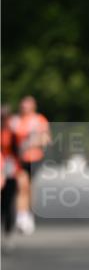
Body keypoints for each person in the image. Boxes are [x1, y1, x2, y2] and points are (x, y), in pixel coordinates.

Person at [11, 95, 50, 234]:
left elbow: (45, 139)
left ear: (33, 106)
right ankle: (21, 217)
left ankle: (29, 215)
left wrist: (31, 143)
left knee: (29, 188)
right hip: (18, 159)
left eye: (28, 105)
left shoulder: (39, 120)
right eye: (23, 105)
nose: (24, 107)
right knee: (22, 186)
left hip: (34, 158)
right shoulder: (14, 121)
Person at [1, 105, 23, 242]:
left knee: (8, 202)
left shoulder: (13, 133)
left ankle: (8, 232)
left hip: (10, 169)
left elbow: (18, 153)